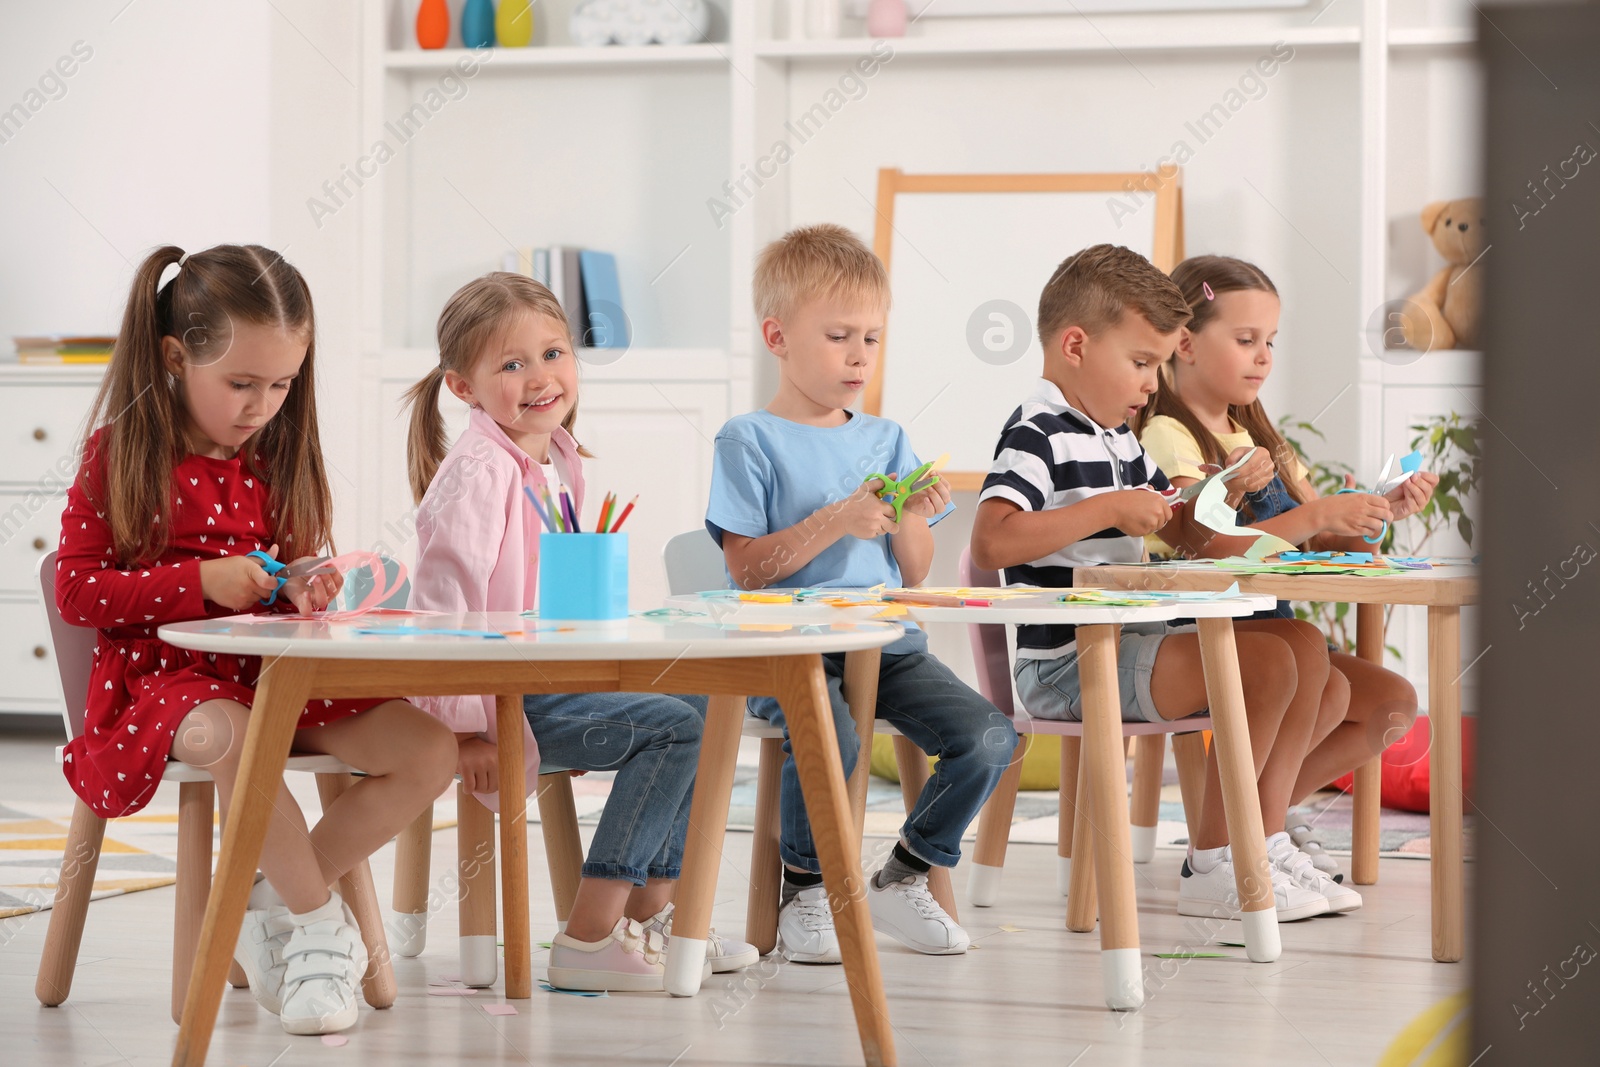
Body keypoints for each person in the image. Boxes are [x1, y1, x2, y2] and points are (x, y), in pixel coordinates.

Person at [56, 244, 457, 1035]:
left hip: (276, 670)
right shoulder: (122, 454)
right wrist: (199, 584)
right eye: (241, 384)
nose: (261, 405)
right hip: (167, 682)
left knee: (430, 748)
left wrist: (302, 581)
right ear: (175, 358)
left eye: (281, 385)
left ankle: (263, 896)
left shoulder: (278, 458)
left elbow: (289, 567)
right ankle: (312, 931)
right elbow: (77, 590)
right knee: (235, 734)